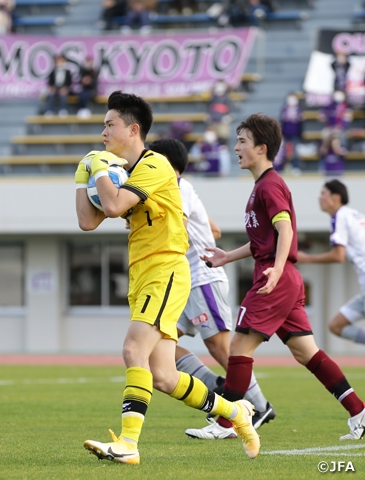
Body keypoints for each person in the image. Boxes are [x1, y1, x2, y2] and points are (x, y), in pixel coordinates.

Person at [76, 91, 260, 465]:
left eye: (109, 124)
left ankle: (128, 443)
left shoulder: (155, 164)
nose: (103, 132)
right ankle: (238, 413)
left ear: (133, 129)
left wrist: (95, 167)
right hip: (143, 274)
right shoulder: (124, 172)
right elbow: (88, 221)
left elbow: (112, 206)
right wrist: (83, 178)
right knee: (163, 376)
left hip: (166, 269)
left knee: (132, 351)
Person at [184, 114, 365, 442]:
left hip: (275, 279)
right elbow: (262, 242)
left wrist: (278, 268)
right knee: (306, 353)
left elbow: (285, 229)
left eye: (242, 141)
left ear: (261, 148)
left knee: (238, 345)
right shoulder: (262, 186)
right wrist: (227, 256)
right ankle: (359, 411)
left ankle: (228, 422)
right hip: (281, 276)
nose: (236, 147)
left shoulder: (269, 185)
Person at [149, 137, 275, 435]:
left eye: (151, 159)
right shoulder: (179, 190)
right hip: (183, 282)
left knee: (219, 346)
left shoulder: (177, 189)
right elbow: (213, 229)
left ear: (166, 163)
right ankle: (221, 389)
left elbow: (174, 228)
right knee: (155, 347)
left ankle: (258, 406)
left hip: (201, 279)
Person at [298, 180, 365, 347]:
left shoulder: (339, 216)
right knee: (336, 325)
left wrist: (307, 258)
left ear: (336, 197)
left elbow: (338, 256)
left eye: (323, 194)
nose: (319, 198)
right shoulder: (355, 214)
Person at [279, 92, 304, 175]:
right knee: (284, 151)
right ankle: (283, 167)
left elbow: (301, 123)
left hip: (295, 133)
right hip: (286, 133)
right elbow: (282, 121)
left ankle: (296, 167)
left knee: (295, 152)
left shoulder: (298, 109)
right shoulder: (285, 109)